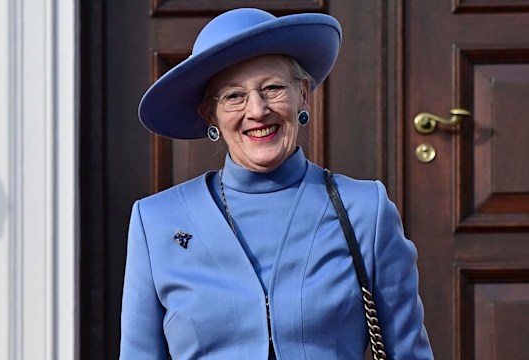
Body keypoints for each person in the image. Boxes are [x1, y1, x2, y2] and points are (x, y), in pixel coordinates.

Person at [120, 8, 433, 360]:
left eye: (272, 88)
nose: (257, 110)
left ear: (302, 94)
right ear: (210, 115)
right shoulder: (156, 220)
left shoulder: (365, 209)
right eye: (233, 96)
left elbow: (409, 353)